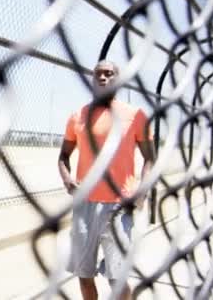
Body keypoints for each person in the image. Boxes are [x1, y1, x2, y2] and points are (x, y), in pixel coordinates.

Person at [58, 60, 155, 300]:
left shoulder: (135, 116)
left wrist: (140, 196)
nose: (102, 78)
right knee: (84, 274)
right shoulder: (77, 116)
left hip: (119, 208)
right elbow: (63, 157)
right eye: (98, 74)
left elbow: (150, 159)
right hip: (85, 206)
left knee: (118, 279)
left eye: (109, 74)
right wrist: (68, 180)